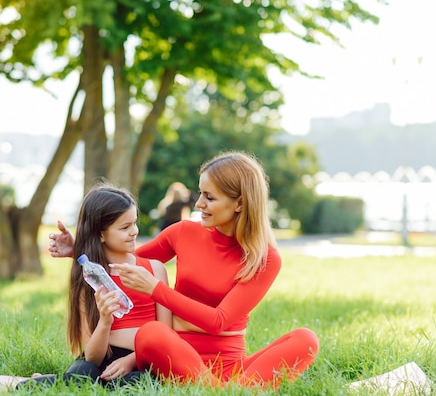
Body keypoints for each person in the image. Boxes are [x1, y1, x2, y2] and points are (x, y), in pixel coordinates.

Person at [48, 151, 319, 389]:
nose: (198, 203)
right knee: (151, 333)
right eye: (200, 193)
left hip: (230, 364)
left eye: (209, 197)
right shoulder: (183, 232)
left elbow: (219, 321)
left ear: (239, 203)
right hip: (175, 354)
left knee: (306, 339)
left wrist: (156, 289)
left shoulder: (265, 258)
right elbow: (123, 265)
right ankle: (232, 391)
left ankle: (222, 390)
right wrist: (80, 250)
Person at [17, 183, 171, 390]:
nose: (134, 232)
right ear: (100, 234)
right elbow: (92, 356)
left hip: (142, 360)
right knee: (84, 370)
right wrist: (105, 321)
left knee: (142, 381)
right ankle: (74, 382)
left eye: (134, 223)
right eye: (125, 227)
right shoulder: (90, 279)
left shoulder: (155, 270)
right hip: (103, 361)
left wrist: (131, 360)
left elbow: (166, 335)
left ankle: (60, 383)